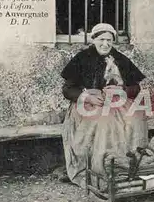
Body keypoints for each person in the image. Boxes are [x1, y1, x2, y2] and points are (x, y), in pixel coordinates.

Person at [60, 23, 148, 187]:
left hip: (117, 103)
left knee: (135, 117)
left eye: (109, 40)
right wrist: (87, 97)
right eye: (101, 39)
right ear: (93, 40)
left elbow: (136, 88)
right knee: (104, 121)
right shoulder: (81, 58)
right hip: (88, 104)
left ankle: (125, 166)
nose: (105, 44)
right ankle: (99, 168)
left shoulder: (120, 59)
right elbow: (67, 90)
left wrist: (122, 90)